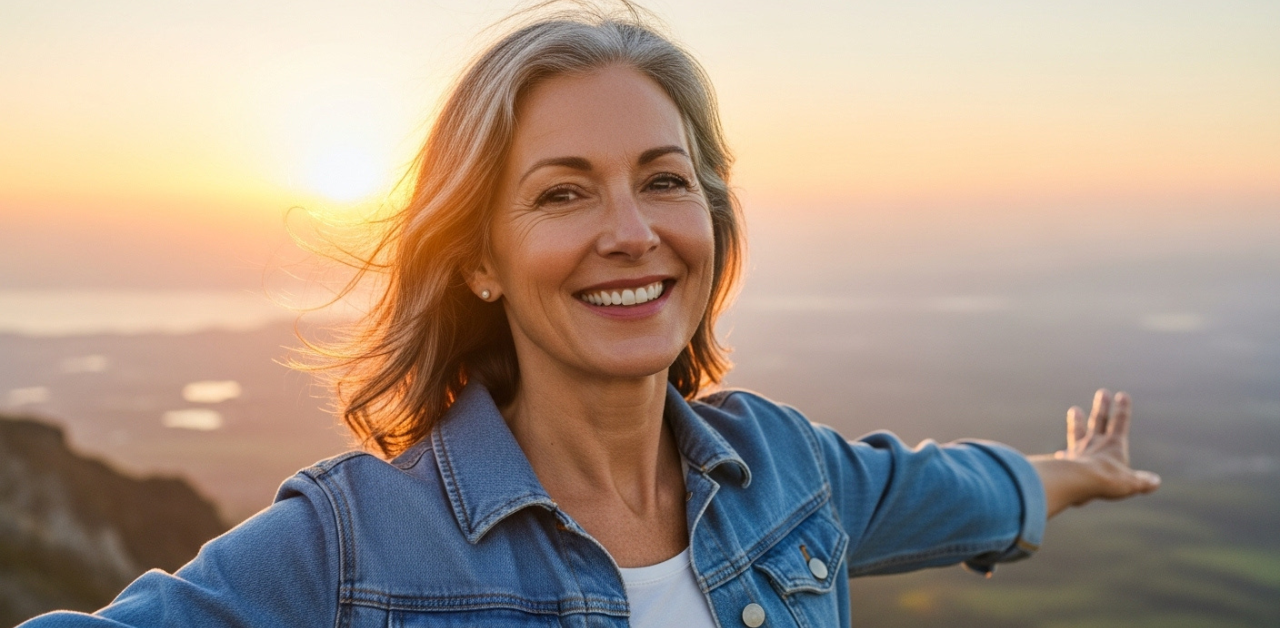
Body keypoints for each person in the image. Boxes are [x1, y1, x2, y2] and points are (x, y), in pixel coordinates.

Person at [22, 4, 1159, 627]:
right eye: (564, 192)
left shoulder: (783, 473)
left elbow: (963, 493)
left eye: (663, 179)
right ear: (478, 257)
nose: (631, 230)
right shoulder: (354, 542)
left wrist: (1072, 469)